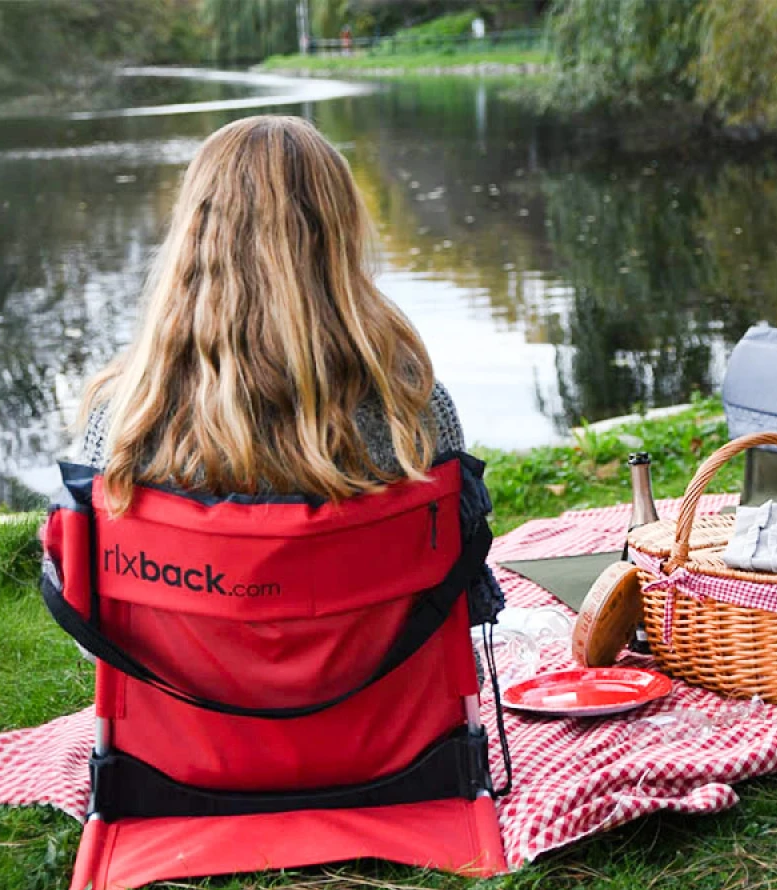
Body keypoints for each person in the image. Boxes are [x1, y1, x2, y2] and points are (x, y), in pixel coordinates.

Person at [76, 114, 503, 628]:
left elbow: (95, 634)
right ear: (339, 235)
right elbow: (465, 608)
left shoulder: (124, 421)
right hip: (393, 706)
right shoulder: (410, 407)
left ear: (195, 235)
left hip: (182, 706)